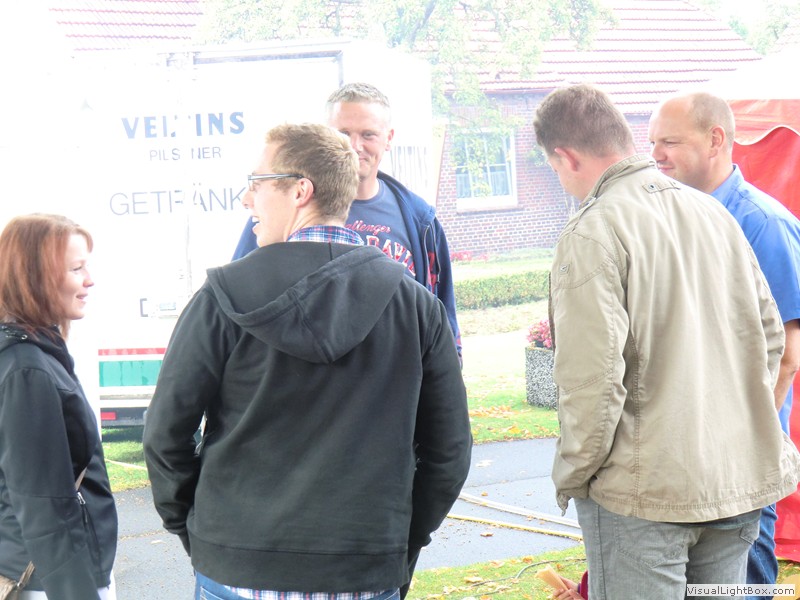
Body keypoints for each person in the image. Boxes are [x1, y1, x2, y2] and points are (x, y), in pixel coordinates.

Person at [143, 123, 472, 599]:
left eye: (256, 183)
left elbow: (164, 435)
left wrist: (201, 534)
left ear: (300, 191)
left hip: (238, 564)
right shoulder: (417, 306)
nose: (246, 199)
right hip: (365, 568)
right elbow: (449, 452)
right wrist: (397, 542)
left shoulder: (219, 298)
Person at [533, 83, 800, 600]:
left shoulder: (593, 229)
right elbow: (770, 341)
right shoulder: (714, 212)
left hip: (646, 498)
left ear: (565, 157)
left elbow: (591, 380)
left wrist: (573, 475)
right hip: (730, 486)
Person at [649, 91, 800, 599]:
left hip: (741, 465)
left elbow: (788, 356)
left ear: (715, 140)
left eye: (670, 142)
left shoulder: (762, 224)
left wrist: (743, 448)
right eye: (653, 142)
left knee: (741, 591)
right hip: (691, 458)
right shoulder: (672, 217)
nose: (656, 155)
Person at [231, 82, 462, 360]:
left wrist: (448, 365)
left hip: (396, 373)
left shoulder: (420, 220)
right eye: (343, 133)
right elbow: (238, 301)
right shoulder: (279, 214)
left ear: (388, 138)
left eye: (368, 134)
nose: (355, 146)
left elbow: (442, 315)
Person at [0, 214, 118, 600]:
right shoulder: (26, 367)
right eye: (76, 268)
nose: (90, 280)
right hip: (54, 580)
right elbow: (42, 503)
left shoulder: (34, 353)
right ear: (34, 277)